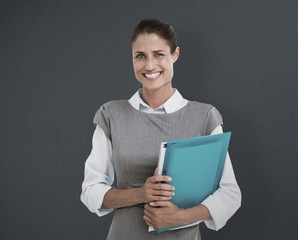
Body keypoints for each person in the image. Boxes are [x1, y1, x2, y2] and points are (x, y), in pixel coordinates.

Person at [80, 18, 241, 240]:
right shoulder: (111, 114)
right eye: (140, 56)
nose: (149, 65)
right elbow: (90, 190)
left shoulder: (204, 117)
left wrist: (181, 217)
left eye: (158, 54)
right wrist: (141, 193)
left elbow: (230, 193)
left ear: (175, 54)